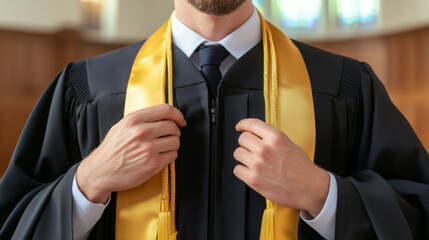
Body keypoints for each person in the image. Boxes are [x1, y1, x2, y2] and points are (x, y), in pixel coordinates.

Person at [0, 0, 428, 239]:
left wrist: (322, 193)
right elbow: (13, 223)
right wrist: (87, 183)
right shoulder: (87, 88)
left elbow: (417, 216)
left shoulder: (344, 86)